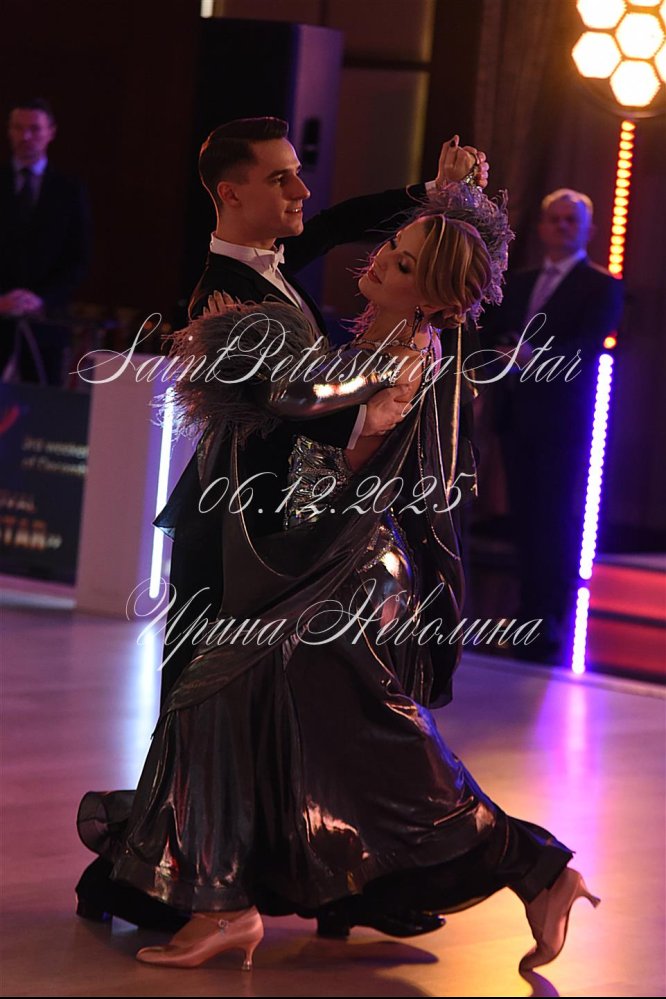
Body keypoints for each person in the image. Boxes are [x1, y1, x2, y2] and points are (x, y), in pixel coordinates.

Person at [83, 180, 599, 975]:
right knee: (266, 720)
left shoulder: (400, 357)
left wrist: (225, 340)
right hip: (312, 561)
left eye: (403, 264)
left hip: (347, 579)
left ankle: (533, 868)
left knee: (369, 751)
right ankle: (227, 903)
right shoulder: (373, 340)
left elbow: (299, 399)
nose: (381, 261)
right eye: (392, 248)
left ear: (435, 301)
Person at [75, 116, 488, 942]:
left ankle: (335, 880)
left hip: (293, 531)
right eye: (280, 178)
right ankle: (165, 875)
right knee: (200, 705)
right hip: (236, 530)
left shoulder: (275, 265)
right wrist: (378, 397)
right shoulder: (218, 297)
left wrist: (435, 195)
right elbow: (294, 409)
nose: (301, 190)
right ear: (231, 194)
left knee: (298, 710)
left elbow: (342, 224)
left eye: (298, 172)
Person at [483, 188, 624, 662]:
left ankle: (549, 621)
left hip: (564, 422)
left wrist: (530, 357)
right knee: (525, 520)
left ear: (588, 229)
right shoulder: (519, 282)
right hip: (516, 416)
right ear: (542, 228)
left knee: (557, 521)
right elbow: (495, 333)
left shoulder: (600, 285)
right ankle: (526, 615)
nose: (562, 227)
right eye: (555, 219)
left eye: (571, 220)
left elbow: (585, 348)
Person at [0, 98, 91, 382]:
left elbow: (78, 259)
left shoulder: (69, 190)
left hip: (46, 322)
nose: (26, 136)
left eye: (34, 129)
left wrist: (40, 299)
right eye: (19, 128)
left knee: (40, 402)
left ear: (50, 132)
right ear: (9, 131)